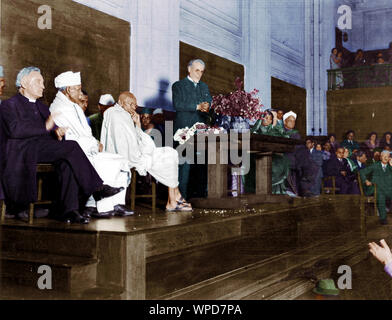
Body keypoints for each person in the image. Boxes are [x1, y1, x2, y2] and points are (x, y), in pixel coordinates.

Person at [0, 67, 124, 223]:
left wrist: (56, 131)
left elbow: (50, 127)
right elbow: (14, 130)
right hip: (22, 152)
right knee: (71, 146)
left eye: (43, 82)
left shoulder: (41, 106)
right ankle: (96, 188)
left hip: (41, 148)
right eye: (38, 82)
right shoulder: (9, 105)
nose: (43, 86)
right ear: (24, 83)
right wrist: (45, 127)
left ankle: (68, 211)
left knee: (67, 161)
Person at [49, 71, 133, 218]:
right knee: (105, 162)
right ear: (69, 90)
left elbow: (85, 133)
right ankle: (98, 207)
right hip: (77, 151)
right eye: (79, 89)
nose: (81, 93)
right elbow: (72, 137)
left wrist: (95, 143)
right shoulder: (60, 108)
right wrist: (94, 145)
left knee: (120, 160)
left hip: (87, 147)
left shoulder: (73, 105)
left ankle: (115, 203)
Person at [101, 91, 192, 212]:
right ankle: (174, 200)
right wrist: (139, 157)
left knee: (171, 152)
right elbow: (123, 144)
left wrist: (137, 124)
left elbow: (139, 139)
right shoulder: (115, 114)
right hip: (129, 156)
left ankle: (174, 198)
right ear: (122, 103)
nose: (135, 107)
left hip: (139, 152)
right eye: (132, 104)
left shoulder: (125, 114)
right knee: (170, 156)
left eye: (136, 104)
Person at [172, 59, 212, 199]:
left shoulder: (204, 87)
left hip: (200, 130)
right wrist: (197, 107)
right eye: (197, 70)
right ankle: (181, 197)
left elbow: (209, 104)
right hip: (183, 130)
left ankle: (199, 196)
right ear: (189, 69)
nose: (199, 74)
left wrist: (208, 107)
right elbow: (177, 104)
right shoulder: (178, 85)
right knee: (185, 164)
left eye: (202, 71)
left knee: (201, 162)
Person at [360, 150, 392, 225]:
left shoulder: (390, 167)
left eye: (387, 156)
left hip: (387, 189)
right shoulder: (375, 165)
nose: (386, 158)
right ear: (380, 157)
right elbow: (362, 172)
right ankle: (383, 218)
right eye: (384, 156)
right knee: (381, 195)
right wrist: (365, 180)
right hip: (375, 189)